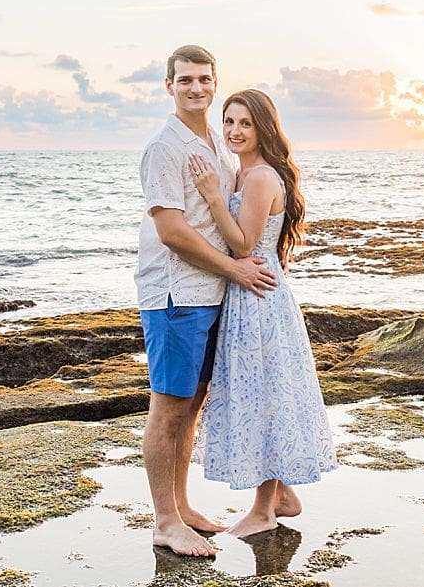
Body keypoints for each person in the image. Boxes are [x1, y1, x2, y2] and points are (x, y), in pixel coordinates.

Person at [136, 45, 279, 557]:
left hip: (213, 294)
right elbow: (172, 231)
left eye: (204, 79)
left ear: (215, 83)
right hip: (176, 295)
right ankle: (165, 521)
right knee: (168, 408)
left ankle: (184, 507)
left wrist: (236, 270)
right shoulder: (164, 147)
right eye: (185, 80)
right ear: (168, 85)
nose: (196, 88)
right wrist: (237, 268)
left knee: (191, 407)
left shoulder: (217, 143)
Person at [188, 88, 337, 538]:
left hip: (259, 299)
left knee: (264, 396)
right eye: (229, 121)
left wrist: (213, 197)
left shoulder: (258, 178)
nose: (234, 131)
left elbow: (244, 245)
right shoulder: (246, 172)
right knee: (263, 390)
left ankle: (261, 511)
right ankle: (282, 494)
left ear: (263, 129)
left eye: (245, 124)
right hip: (250, 292)